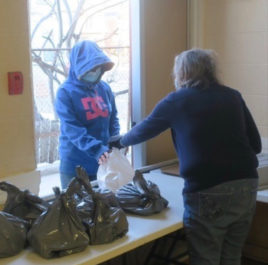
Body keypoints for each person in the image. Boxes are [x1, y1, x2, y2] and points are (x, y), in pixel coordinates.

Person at [109, 49, 261, 265]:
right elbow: (255, 144)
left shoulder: (177, 101)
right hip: (246, 185)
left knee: (205, 258)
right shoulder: (232, 96)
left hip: (208, 189)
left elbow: (144, 130)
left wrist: (120, 142)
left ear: (182, 74)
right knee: (231, 255)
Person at [55, 40, 120, 190]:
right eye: (90, 68)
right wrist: (96, 149)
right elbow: (73, 129)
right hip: (74, 165)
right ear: (78, 67)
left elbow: (113, 118)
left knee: (102, 208)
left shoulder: (104, 89)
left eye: (97, 67)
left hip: (102, 162)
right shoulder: (65, 92)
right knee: (76, 210)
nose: (94, 71)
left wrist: (115, 141)